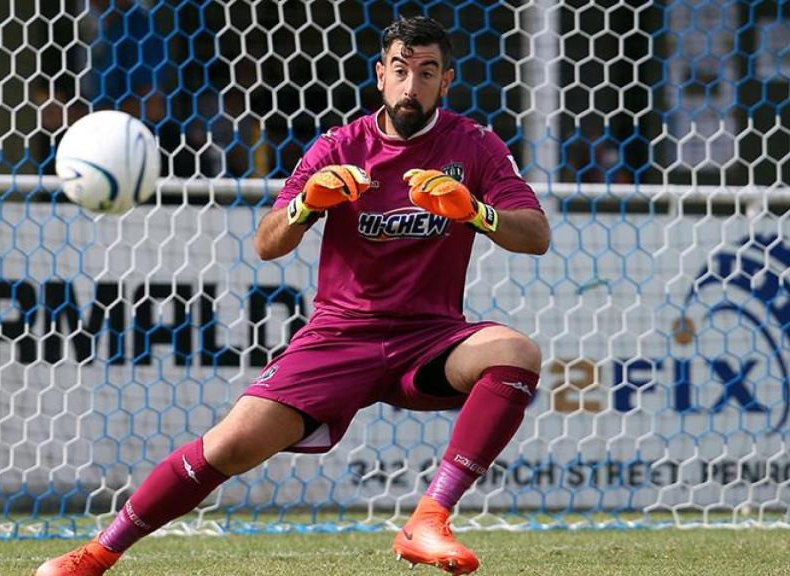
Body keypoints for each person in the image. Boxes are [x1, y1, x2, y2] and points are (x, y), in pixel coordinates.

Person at [36, 15, 550, 576]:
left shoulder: (475, 145)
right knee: (229, 446)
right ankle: (97, 553)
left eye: (427, 73)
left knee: (516, 353)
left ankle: (429, 519)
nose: (412, 85)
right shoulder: (339, 145)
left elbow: (536, 234)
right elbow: (267, 243)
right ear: (380, 75)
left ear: (446, 80)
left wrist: (476, 212)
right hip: (339, 337)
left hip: (430, 338)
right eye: (401, 70)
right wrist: (307, 203)